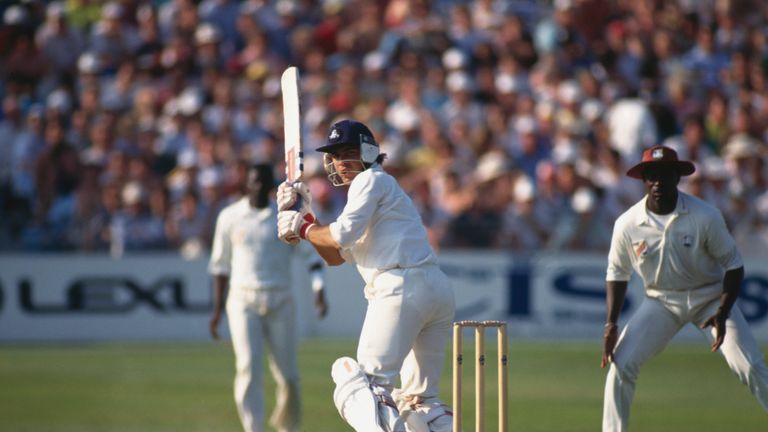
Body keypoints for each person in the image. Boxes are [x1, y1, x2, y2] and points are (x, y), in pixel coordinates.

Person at [276, 119, 455, 432]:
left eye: (347, 153)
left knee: (361, 386)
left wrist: (302, 227)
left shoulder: (370, 180)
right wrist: (306, 219)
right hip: (434, 291)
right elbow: (334, 255)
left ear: (369, 151)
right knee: (419, 401)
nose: (340, 163)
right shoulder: (374, 194)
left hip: (400, 289)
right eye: (335, 155)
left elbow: (340, 236)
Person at [600, 145, 768, 432]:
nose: (657, 183)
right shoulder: (627, 224)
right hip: (661, 302)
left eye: (664, 175)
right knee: (621, 364)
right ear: (643, 180)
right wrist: (611, 324)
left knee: (749, 366)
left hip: (711, 298)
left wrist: (723, 310)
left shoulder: (705, 215)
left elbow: (734, 265)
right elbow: (617, 273)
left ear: (677, 178)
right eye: (651, 176)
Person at [208, 163, 328, 432]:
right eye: (255, 182)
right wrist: (216, 311)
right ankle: (254, 428)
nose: (261, 188)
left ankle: (289, 427)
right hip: (242, 299)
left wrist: (319, 290)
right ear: (247, 184)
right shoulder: (230, 216)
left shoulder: (285, 216)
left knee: (288, 376)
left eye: (265, 183)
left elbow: (311, 257)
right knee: (248, 368)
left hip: (280, 298)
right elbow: (220, 266)